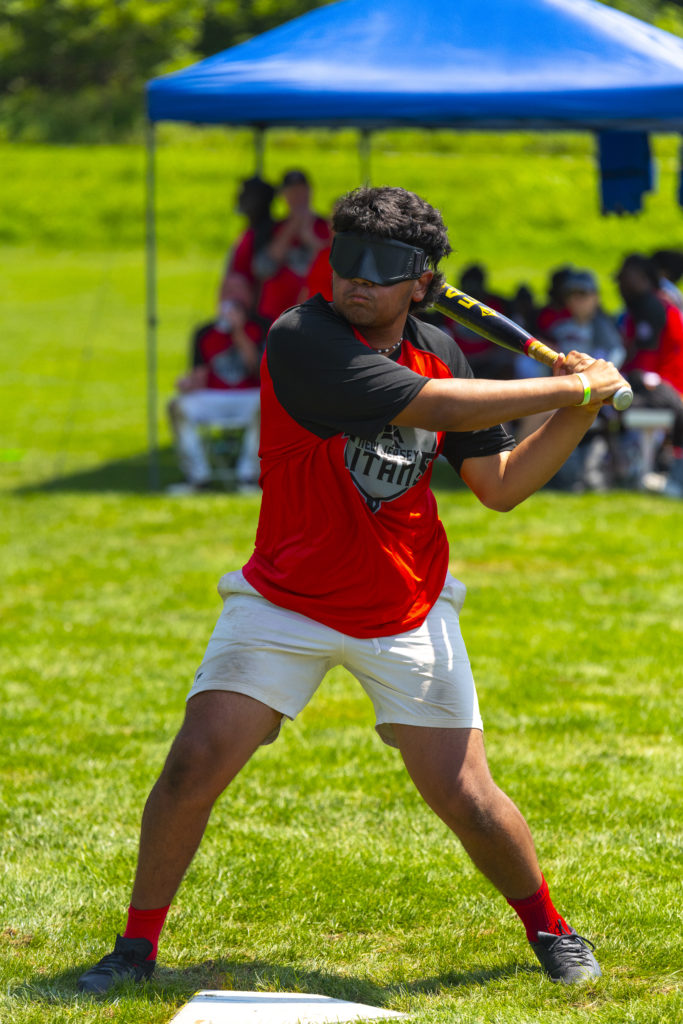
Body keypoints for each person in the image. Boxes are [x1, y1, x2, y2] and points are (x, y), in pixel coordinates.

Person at [77, 186, 627, 995]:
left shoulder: (444, 347)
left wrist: (581, 409)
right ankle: (134, 947)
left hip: (404, 606)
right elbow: (427, 405)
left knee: (467, 796)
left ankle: (549, 927)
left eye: (380, 272)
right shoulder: (303, 337)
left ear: (421, 281)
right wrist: (567, 388)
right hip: (284, 599)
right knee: (195, 760)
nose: (355, 285)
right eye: (344, 265)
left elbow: (501, 485)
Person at [167, 273, 263, 493]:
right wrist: (188, 383)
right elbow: (199, 373)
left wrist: (238, 331)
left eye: (238, 291)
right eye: (227, 292)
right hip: (214, 394)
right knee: (178, 407)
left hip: (250, 394)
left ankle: (248, 476)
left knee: (268, 406)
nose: (232, 297)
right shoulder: (204, 332)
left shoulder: (261, 327)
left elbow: (258, 371)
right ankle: (197, 476)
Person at [616, 254, 683, 496]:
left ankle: (661, 469)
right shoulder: (649, 304)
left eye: (627, 279)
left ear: (644, 279)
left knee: (608, 403)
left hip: (666, 384)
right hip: (660, 383)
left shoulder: (650, 305)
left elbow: (646, 363)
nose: (621, 285)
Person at [253, 169, 332, 325]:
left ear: (310, 191)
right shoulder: (271, 228)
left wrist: (310, 239)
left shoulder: (326, 227)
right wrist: (291, 227)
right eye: (292, 192)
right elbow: (263, 268)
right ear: (283, 195)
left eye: (301, 190)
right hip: (275, 316)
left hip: (316, 314)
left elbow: (333, 264)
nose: (297, 196)